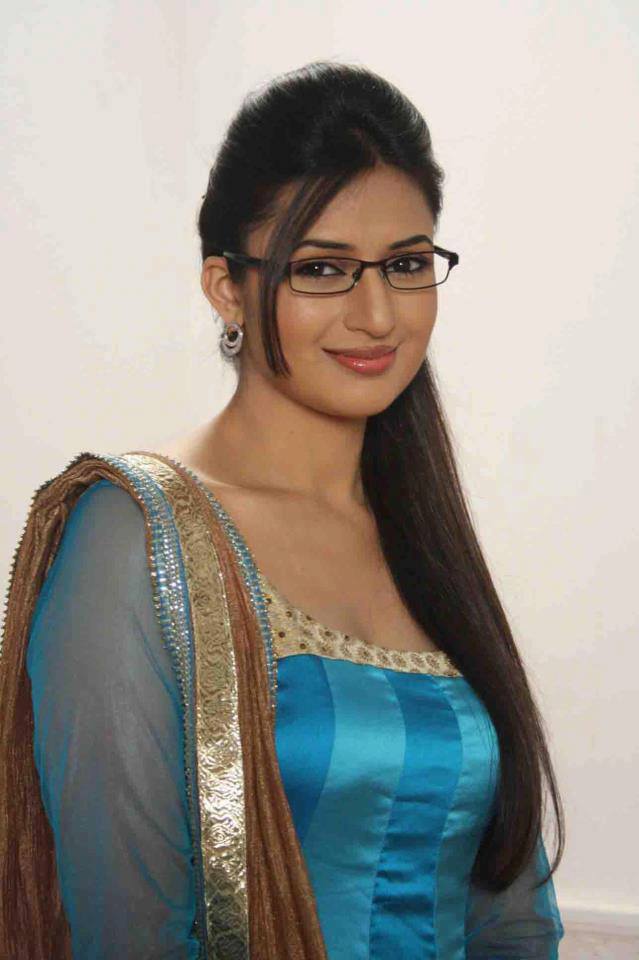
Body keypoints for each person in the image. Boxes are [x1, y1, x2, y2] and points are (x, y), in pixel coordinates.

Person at [0, 60, 565, 959]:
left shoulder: (421, 536)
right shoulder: (131, 534)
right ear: (226, 286)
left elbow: (508, 913)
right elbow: (126, 930)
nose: (377, 315)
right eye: (322, 269)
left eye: (406, 264)